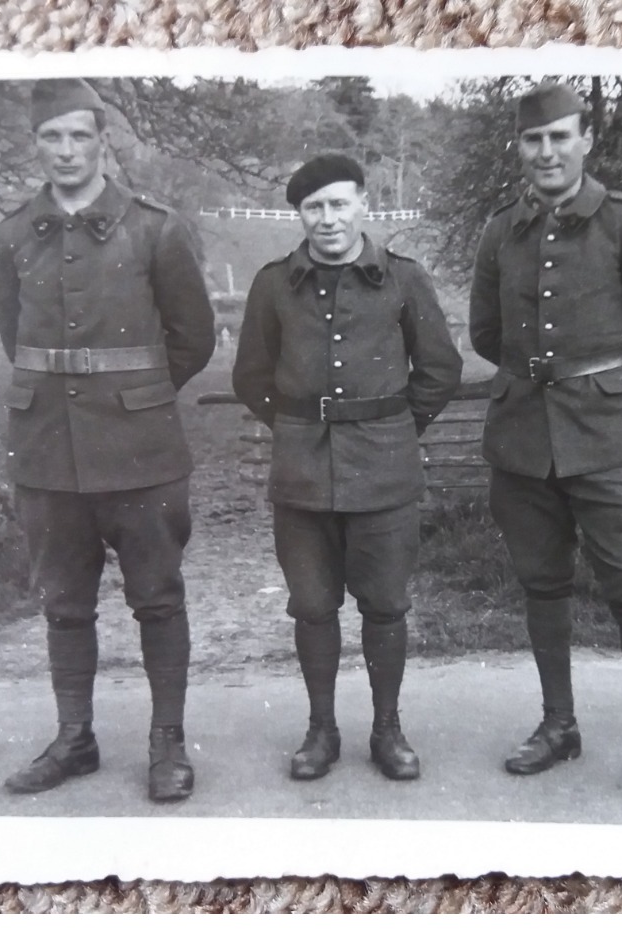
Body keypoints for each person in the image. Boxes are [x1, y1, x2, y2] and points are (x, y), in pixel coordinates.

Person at [468, 82, 622, 811]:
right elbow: (485, 333)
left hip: (609, 442)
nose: (546, 152)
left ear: (585, 141)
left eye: (559, 137)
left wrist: (615, 384)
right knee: (542, 586)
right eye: (533, 140)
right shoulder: (499, 230)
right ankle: (557, 724)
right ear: (519, 147)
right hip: (522, 442)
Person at [0, 78, 216, 802]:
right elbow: (11, 331)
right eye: (51, 137)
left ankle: (168, 744)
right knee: (64, 603)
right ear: (37, 145)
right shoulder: (14, 231)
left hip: (141, 450)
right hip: (48, 451)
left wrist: (138, 394)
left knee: (157, 597)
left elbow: (194, 337)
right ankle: (74, 738)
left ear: (102, 141)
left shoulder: (156, 228)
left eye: (78, 135)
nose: (65, 150)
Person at [233, 154, 462, 782]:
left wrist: (394, 426)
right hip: (301, 474)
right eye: (313, 207)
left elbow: (440, 367)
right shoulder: (274, 284)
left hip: (385, 473)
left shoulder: (403, 279)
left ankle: (387, 729)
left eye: (338, 204)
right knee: (311, 604)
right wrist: (299, 425)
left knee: (385, 604)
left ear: (363, 204)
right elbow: (251, 375)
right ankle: (321, 730)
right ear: (299, 215)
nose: (327, 219)